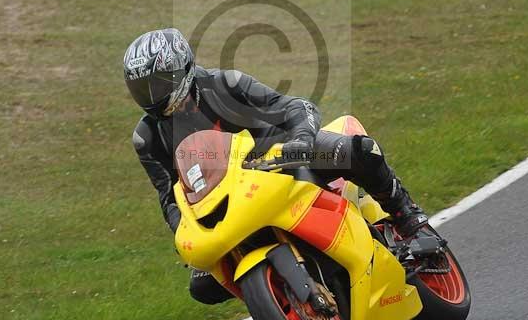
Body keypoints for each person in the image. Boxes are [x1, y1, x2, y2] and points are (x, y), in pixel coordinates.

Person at [124, 28, 428, 305]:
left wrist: (300, 140)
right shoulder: (147, 137)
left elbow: (296, 107)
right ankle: (281, 299)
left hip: (283, 159)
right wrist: (183, 230)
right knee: (203, 288)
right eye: (143, 89)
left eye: (159, 84)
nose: (153, 96)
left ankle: (408, 217)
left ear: (182, 68)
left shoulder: (224, 85)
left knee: (358, 151)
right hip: (225, 200)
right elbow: (168, 196)